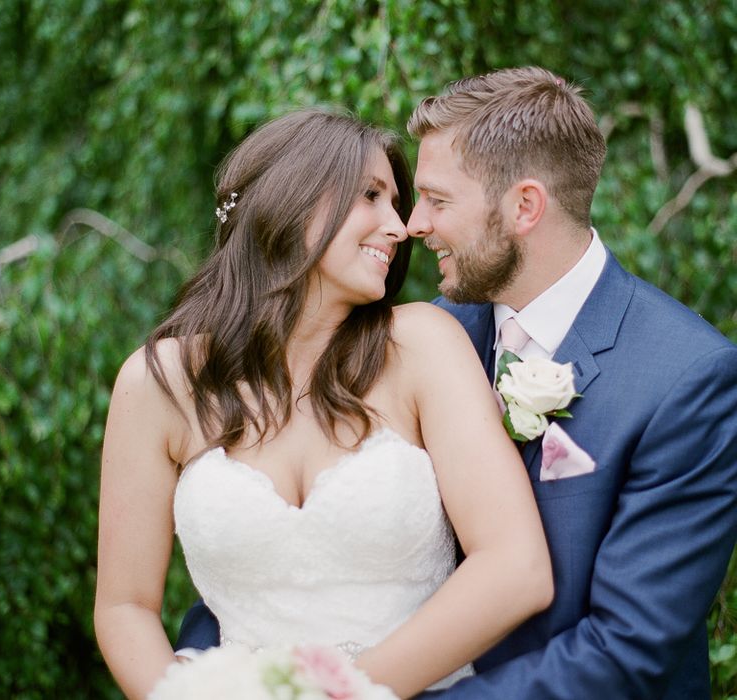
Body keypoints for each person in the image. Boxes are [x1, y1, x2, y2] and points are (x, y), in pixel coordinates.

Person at [93, 109, 553, 700]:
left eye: (396, 201)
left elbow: (515, 567)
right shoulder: (158, 383)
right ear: (290, 201)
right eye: (371, 196)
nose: (401, 225)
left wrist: (336, 693)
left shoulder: (422, 346)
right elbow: (124, 606)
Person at [403, 66, 737, 698]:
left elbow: (627, 649)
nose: (415, 224)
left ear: (525, 206)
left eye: (438, 200)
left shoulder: (687, 380)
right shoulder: (434, 338)